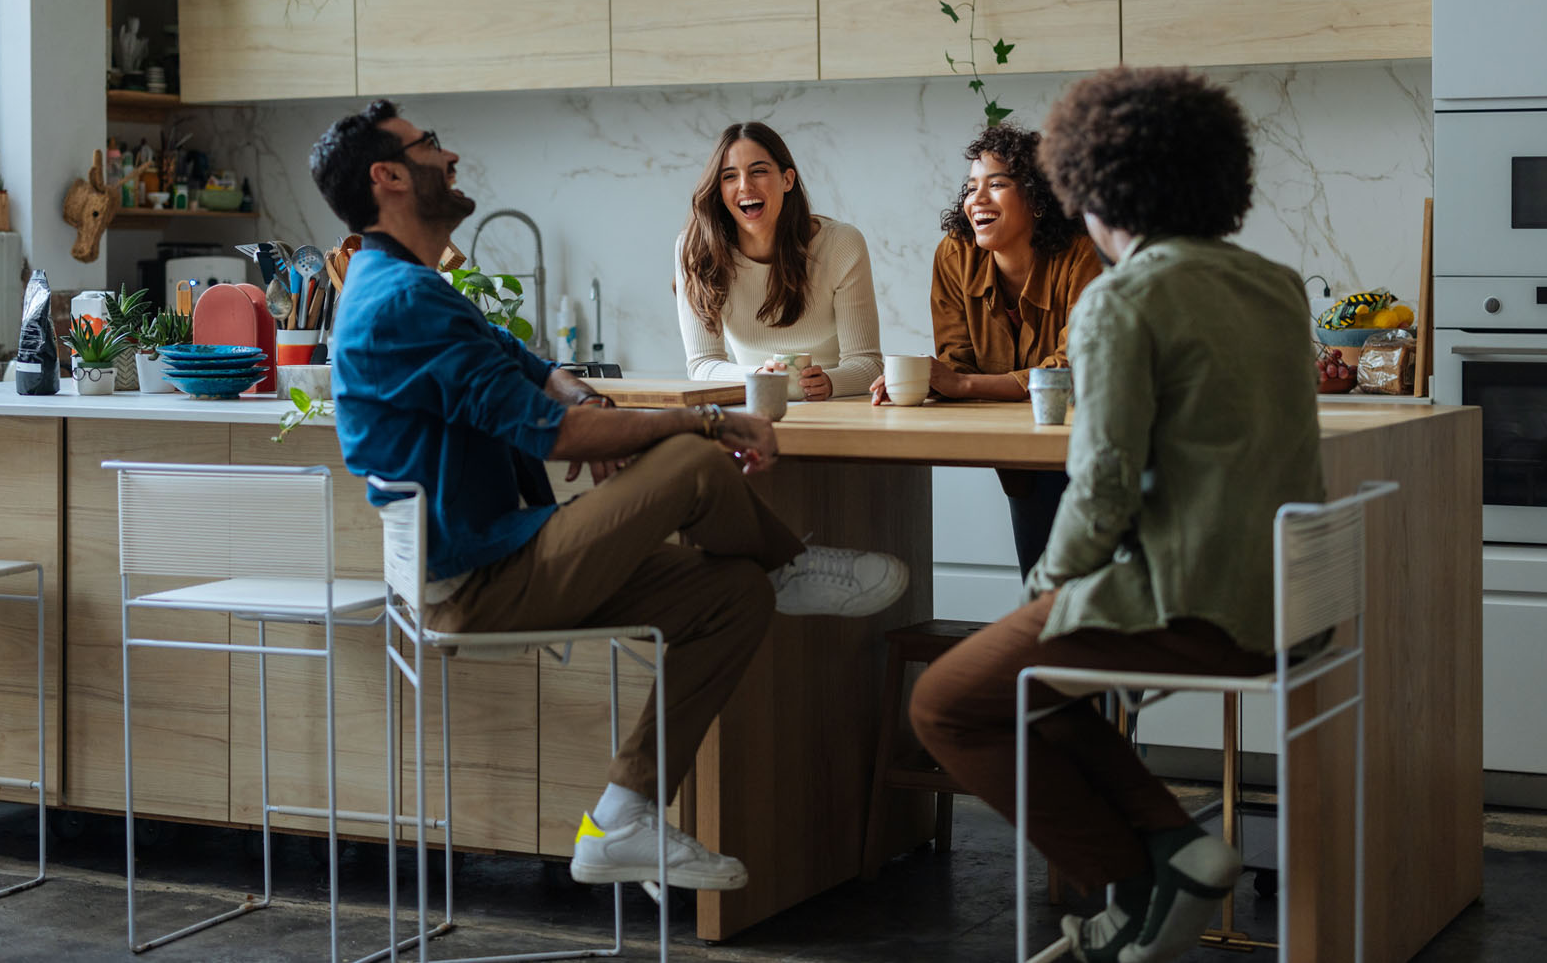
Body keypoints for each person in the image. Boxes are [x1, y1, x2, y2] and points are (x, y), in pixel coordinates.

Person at [311, 100, 908, 897]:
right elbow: (548, 433)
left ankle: (621, 817)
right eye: (428, 147)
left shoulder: (417, 286)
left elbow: (534, 369)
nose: (450, 157)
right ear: (388, 177)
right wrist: (704, 418)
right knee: (695, 460)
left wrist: (589, 403)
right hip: (474, 584)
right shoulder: (400, 301)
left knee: (732, 598)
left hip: (510, 553)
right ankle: (790, 567)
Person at [908, 69, 1327, 963]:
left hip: (1192, 605)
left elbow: (1099, 483)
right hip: (1292, 603)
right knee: (1032, 683)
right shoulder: (1277, 286)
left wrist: (1048, 597)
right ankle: (1174, 848)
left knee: (946, 704)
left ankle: (1141, 876)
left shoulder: (1119, 298)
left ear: (1088, 190)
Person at [871, 124, 1103, 576]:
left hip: (1088, 445)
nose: (977, 199)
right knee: (1044, 582)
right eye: (972, 187)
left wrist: (960, 384)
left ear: (1037, 198)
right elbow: (956, 359)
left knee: (1069, 582)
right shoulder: (955, 256)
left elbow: (1073, 369)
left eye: (997, 184)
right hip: (1019, 451)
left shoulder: (1083, 255)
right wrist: (925, 381)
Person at [675, 122, 882, 401]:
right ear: (719, 190)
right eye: (729, 176)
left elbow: (868, 364)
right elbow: (701, 365)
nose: (745, 186)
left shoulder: (841, 245)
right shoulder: (696, 250)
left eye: (758, 171)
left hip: (836, 406)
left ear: (787, 180)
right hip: (753, 406)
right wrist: (758, 377)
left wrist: (830, 382)